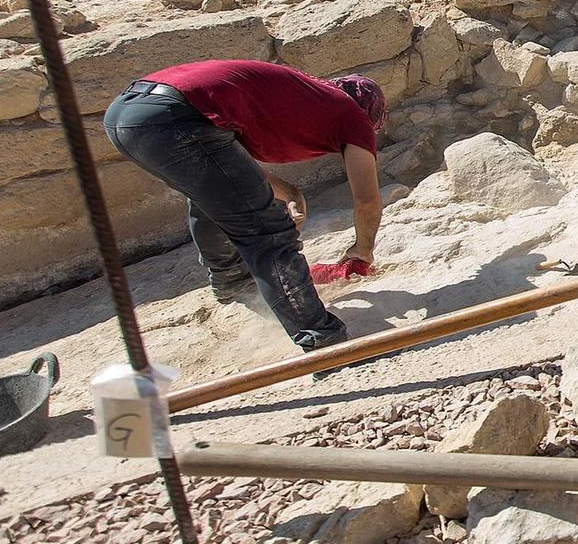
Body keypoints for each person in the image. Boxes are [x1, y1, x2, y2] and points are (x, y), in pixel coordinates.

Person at [103, 59, 387, 351]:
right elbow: (366, 200)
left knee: (213, 194)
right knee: (268, 231)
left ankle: (232, 281)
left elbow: (228, 167)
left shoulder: (305, 96)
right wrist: (362, 249)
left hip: (126, 115)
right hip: (174, 118)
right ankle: (321, 338)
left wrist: (289, 191)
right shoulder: (353, 114)